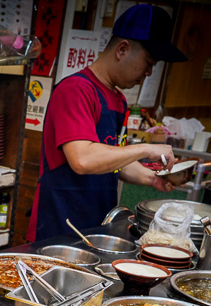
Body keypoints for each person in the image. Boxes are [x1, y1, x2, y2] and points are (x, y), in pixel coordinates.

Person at [29, 4, 189, 242]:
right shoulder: (76, 90)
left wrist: (152, 179)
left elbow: (114, 162)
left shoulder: (118, 100)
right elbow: (83, 159)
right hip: (59, 225)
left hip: (95, 226)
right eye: (148, 62)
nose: (148, 73)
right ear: (122, 49)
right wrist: (146, 148)